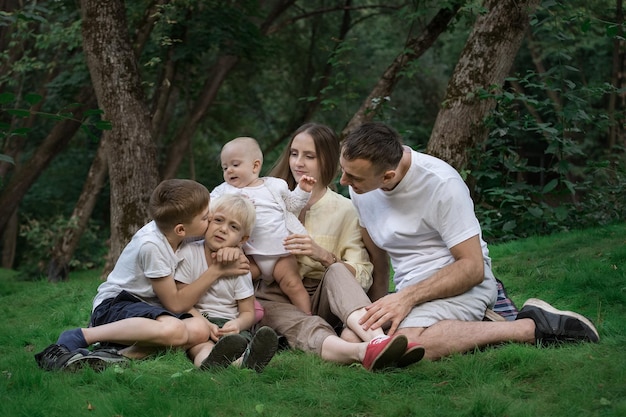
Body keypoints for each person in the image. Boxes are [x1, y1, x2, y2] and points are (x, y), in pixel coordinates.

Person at [338, 122, 600, 360]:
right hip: (412, 289)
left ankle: (529, 328)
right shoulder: (361, 187)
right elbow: (379, 260)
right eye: (344, 171)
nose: (344, 182)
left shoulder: (442, 184)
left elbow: (472, 267)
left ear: (388, 176)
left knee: (406, 347)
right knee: (353, 338)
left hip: (461, 284)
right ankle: (472, 328)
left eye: (354, 177)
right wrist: (380, 305)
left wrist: (405, 299)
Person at [254, 123, 425, 371]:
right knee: (281, 314)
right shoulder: (268, 200)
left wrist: (322, 255)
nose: (298, 162)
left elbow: (363, 272)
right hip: (276, 295)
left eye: (309, 156)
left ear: (327, 159)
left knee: (337, 270)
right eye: (294, 153)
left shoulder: (345, 209)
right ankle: (366, 351)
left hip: (325, 295)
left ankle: (376, 338)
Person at [34, 179, 251, 371]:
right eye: (206, 218)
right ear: (181, 230)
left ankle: (116, 355)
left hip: (149, 310)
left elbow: (221, 243)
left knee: (199, 329)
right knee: (176, 328)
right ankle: (82, 336)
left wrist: (231, 252)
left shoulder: (182, 229)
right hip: (116, 305)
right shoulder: (152, 245)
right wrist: (216, 270)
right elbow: (175, 304)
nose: (211, 219)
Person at [211, 136, 316, 315]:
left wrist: (302, 190)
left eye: (235, 165)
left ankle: (309, 318)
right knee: (233, 281)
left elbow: (292, 205)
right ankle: (227, 316)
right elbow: (209, 209)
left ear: (255, 165)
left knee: (293, 285)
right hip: (249, 254)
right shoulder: (224, 190)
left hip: (280, 252)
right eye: (225, 167)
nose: (229, 171)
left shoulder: (274, 186)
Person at [175, 193, 279, 372]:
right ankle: (209, 363)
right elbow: (182, 301)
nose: (223, 229)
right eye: (218, 220)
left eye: (233, 226)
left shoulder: (239, 266)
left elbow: (248, 311)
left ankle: (246, 362)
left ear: (243, 239)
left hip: (229, 325)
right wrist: (205, 324)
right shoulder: (188, 253)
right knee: (201, 346)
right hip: (198, 320)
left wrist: (237, 324)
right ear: (208, 221)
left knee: (239, 343)